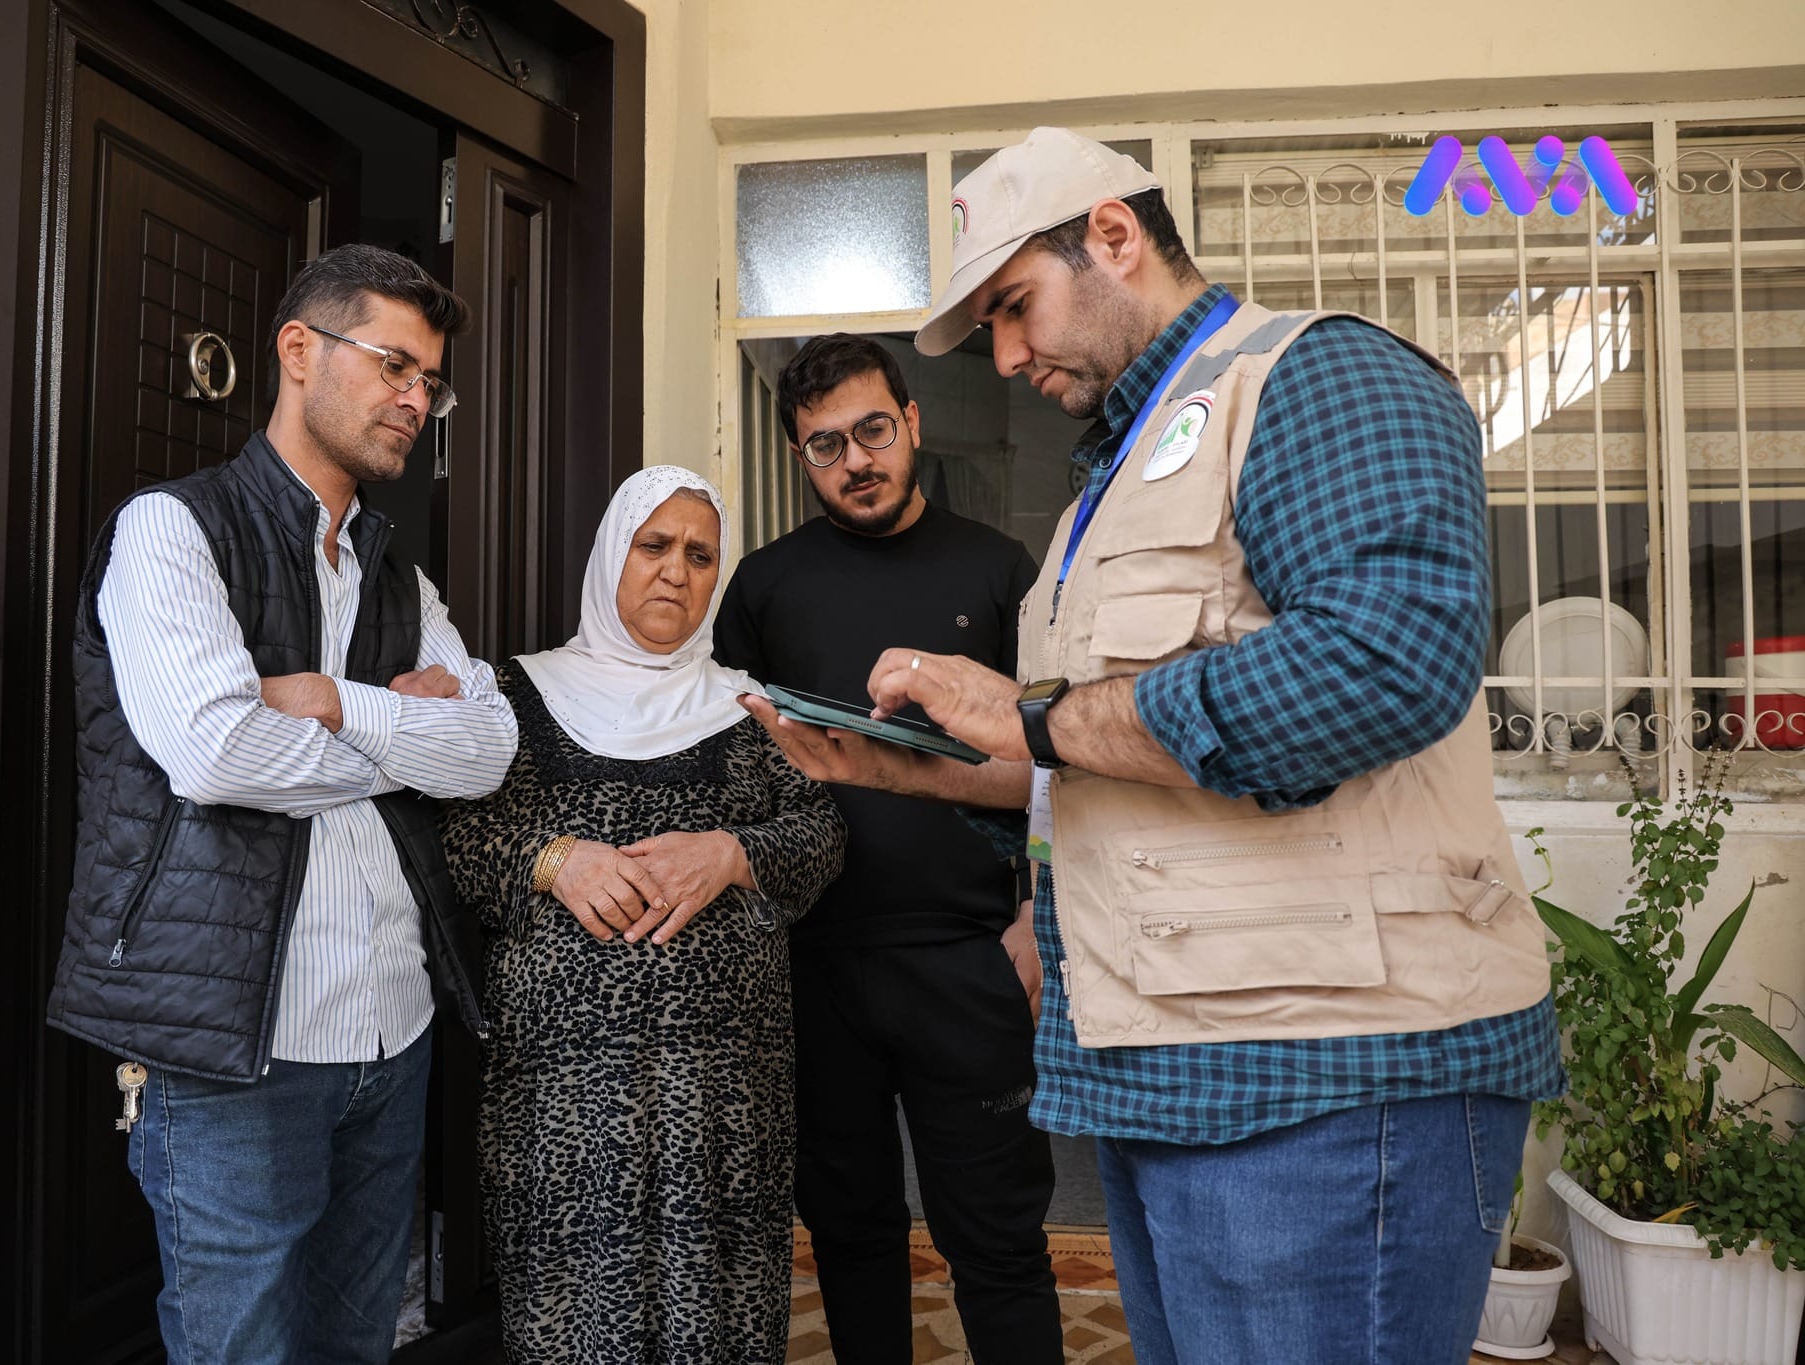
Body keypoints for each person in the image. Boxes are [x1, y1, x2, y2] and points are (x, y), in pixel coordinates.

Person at [743, 127, 1565, 1365]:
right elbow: (1101, 758)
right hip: (1172, 1073)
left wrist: (1029, 717)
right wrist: (910, 767)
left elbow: (1381, 667)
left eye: (1015, 308)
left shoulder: (1316, 379)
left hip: (1333, 1080)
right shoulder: (1106, 486)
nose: (1007, 357)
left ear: (1113, 237)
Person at [47, 243, 518, 1363]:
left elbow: (491, 750)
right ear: (298, 351)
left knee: (357, 1345)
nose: (417, 399)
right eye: (394, 365)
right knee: (240, 1350)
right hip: (230, 1050)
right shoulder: (172, 530)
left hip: (390, 1033)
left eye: (430, 382)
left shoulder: (403, 582)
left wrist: (324, 704)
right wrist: (403, 730)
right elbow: (213, 752)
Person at [440, 465, 846, 1365]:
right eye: (653, 545)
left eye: (701, 555)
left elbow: (820, 834)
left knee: (718, 1307)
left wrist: (732, 852)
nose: (676, 571)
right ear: (609, 556)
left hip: (723, 1096)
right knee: (578, 1314)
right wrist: (555, 860)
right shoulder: (513, 695)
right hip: (563, 1091)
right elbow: (459, 843)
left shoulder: (747, 706)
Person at [711, 334, 1061, 1363]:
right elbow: (735, 764)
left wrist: (1040, 913)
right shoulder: (764, 588)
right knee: (850, 1237)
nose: (853, 460)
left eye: (871, 431)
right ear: (798, 456)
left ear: (909, 426)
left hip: (968, 957)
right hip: (811, 966)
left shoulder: (997, 569)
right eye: (824, 446)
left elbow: (1060, 757)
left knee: (995, 1242)